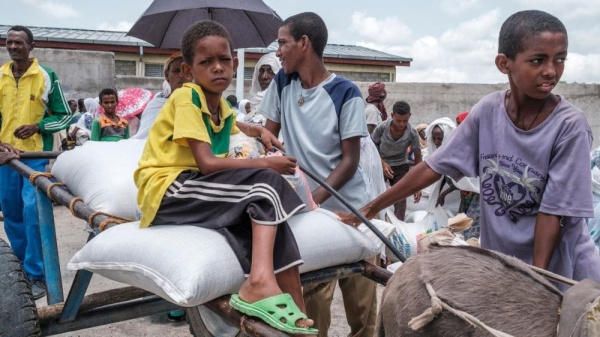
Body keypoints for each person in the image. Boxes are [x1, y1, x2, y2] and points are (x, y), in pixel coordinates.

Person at [338, 10, 600, 289]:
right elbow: (432, 167)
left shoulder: (569, 126)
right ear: (504, 63)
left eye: (560, 59)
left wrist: (534, 283)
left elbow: (554, 214)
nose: (551, 70)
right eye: (538, 60)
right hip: (505, 269)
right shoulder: (488, 111)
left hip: (560, 276)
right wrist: (369, 208)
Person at [133, 20, 316, 335]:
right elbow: (206, 164)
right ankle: (258, 282)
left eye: (224, 60)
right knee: (266, 182)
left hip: (196, 188)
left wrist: (259, 130)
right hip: (169, 190)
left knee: (274, 223)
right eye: (206, 62)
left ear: (233, 62)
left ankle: (296, 309)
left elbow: (236, 126)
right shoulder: (187, 98)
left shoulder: (220, 107)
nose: (218, 68)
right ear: (189, 71)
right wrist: (266, 164)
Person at [261, 12, 377, 337]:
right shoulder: (282, 83)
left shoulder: (345, 92)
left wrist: (315, 199)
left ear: (304, 43)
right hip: (307, 217)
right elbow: (267, 140)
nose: (279, 51)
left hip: (349, 212)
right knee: (312, 308)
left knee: (362, 314)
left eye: (283, 43)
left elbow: (350, 161)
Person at [0, 25, 71, 299]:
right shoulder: (1, 76)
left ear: (31, 46)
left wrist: (38, 127)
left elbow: (65, 116)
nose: (14, 46)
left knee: (33, 213)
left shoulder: (46, 76)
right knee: (13, 215)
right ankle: (21, 273)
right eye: (10, 42)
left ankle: (38, 274)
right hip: (6, 159)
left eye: (19, 42)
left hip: (35, 159)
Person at [371, 101, 422, 221]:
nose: (401, 124)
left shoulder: (412, 133)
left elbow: (418, 158)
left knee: (400, 198)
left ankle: (399, 225)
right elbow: (370, 147)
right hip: (380, 163)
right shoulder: (382, 128)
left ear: (410, 116)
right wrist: (382, 163)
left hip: (400, 166)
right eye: (398, 120)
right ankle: (374, 221)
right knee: (374, 194)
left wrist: (419, 185)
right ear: (392, 115)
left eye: (405, 121)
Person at [131, 52, 189, 140]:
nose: (181, 75)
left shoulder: (200, 103)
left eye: (186, 71)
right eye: (176, 71)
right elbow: (146, 136)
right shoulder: (157, 104)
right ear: (166, 75)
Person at [245, 52, 282, 125]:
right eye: (261, 71)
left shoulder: (284, 104)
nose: (264, 76)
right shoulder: (253, 102)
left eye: (270, 71)